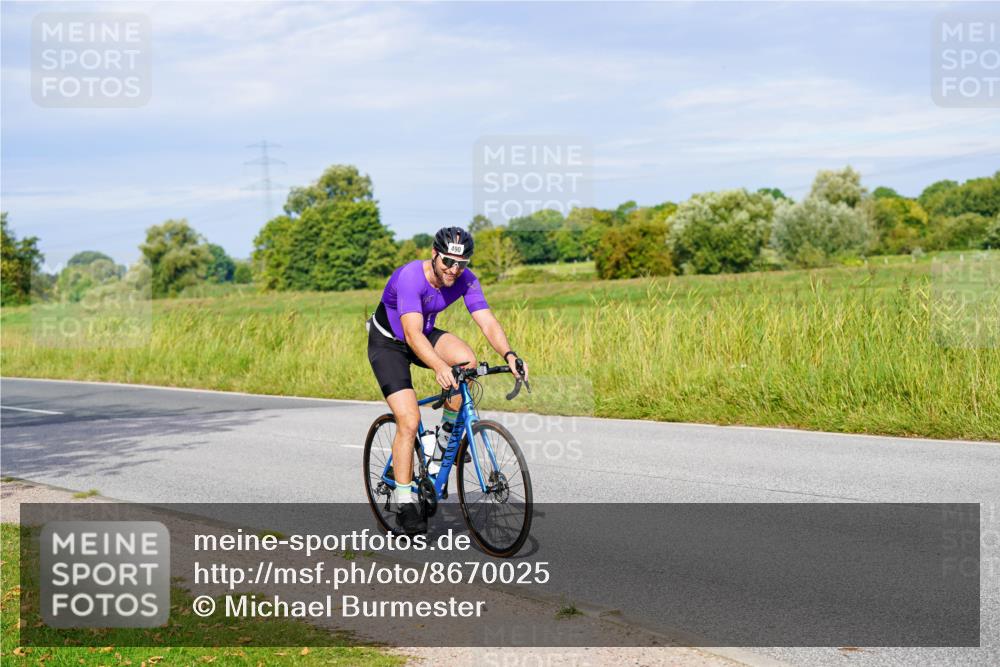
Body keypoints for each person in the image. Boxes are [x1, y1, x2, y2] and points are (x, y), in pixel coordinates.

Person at [367, 226, 528, 536]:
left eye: (461, 263)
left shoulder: (466, 279)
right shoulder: (411, 277)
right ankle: (404, 501)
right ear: (434, 254)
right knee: (409, 420)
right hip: (390, 343)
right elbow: (411, 333)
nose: (454, 269)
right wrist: (439, 365)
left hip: (424, 334)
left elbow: (487, 321)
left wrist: (509, 354)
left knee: (466, 363)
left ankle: (442, 445)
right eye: (448, 262)